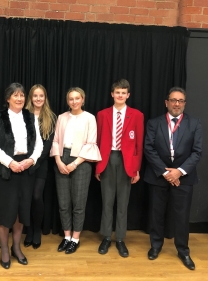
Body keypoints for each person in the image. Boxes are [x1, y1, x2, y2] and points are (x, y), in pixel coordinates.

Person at [144, 87, 202, 270]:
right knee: (156, 213)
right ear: (166, 102)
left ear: (184, 103)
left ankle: (183, 250)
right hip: (158, 176)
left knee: (182, 216)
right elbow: (149, 149)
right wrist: (166, 172)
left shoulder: (195, 124)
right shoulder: (154, 123)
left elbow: (197, 152)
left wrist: (179, 172)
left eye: (180, 101)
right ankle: (155, 246)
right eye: (173, 100)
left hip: (184, 178)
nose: (177, 104)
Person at [0, 83, 43, 269]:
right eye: (15, 95)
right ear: (8, 98)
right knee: (5, 212)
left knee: (21, 211)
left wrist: (32, 160)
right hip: (5, 170)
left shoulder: (31, 117)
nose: (19, 99)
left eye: (21, 95)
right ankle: (4, 249)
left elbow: (39, 145)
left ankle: (16, 248)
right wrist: (10, 162)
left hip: (26, 168)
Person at [95, 79, 144, 257]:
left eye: (123, 93)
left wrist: (136, 168)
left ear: (128, 95)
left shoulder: (137, 115)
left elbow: (139, 144)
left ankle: (121, 238)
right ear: (112, 94)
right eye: (117, 92)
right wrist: (98, 167)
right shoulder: (102, 115)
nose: (120, 95)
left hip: (127, 161)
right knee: (107, 201)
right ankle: (107, 236)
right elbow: (98, 141)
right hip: (107, 160)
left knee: (123, 202)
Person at [50, 87, 101, 254]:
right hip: (62, 158)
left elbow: (91, 143)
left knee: (79, 203)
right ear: (67, 101)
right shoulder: (61, 117)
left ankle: (75, 238)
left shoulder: (90, 118)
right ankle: (66, 236)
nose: (74, 101)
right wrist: (58, 160)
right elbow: (56, 140)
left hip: (82, 160)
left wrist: (75, 164)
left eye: (77, 98)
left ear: (83, 99)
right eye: (71, 99)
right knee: (63, 203)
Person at [23, 84, 57, 249]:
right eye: (35, 96)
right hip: (23, 164)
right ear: (30, 97)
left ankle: (37, 230)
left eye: (41, 96)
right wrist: (26, 162)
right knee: (26, 198)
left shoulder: (51, 117)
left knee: (37, 197)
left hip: (40, 165)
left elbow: (48, 145)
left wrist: (34, 163)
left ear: (45, 98)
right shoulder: (23, 115)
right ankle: (28, 230)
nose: (38, 99)